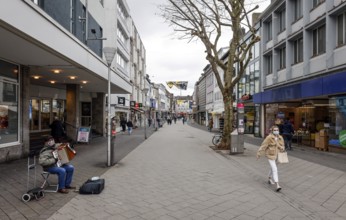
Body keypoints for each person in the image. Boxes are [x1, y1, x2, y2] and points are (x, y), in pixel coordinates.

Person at [256, 125, 285, 192]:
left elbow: (283, 146)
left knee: (273, 168)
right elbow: (263, 146)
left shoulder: (280, 137)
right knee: (275, 169)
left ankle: (269, 178)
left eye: (277, 130)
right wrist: (259, 153)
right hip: (270, 155)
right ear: (272, 131)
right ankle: (277, 185)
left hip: (278, 156)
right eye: (274, 130)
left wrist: (282, 148)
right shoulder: (269, 138)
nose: (276, 131)